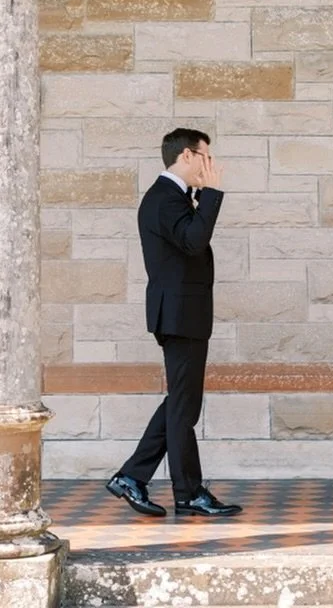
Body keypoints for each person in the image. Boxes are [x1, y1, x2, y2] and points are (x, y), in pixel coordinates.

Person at [106, 127, 242, 519]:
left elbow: (188, 243)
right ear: (186, 156)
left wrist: (202, 199)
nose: (211, 166)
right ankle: (185, 491)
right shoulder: (164, 198)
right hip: (180, 315)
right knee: (184, 408)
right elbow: (193, 241)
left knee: (182, 405)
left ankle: (138, 478)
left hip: (185, 314)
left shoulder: (173, 197)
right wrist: (213, 195)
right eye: (206, 157)